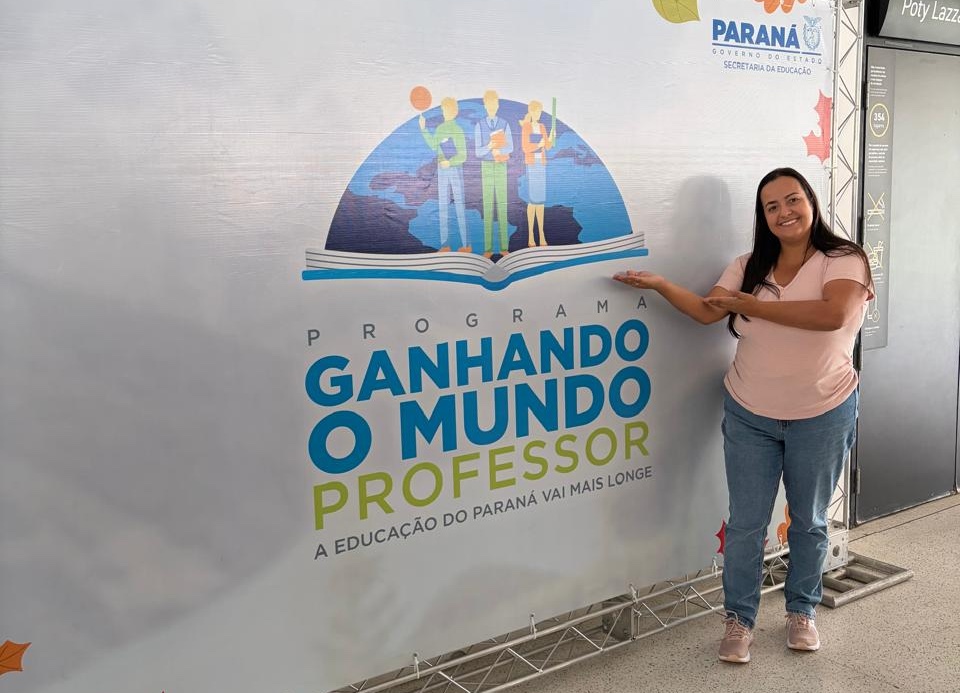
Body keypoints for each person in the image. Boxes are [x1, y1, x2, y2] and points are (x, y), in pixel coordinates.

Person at [613, 167, 873, 664]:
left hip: (823, 411)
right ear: (763, 216)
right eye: (771, 207)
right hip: (751, 411)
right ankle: (739, 619)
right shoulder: (750, 265)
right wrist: (662, 283)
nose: (784, 212)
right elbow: (711, 311)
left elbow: (832, 316)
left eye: (792, 200)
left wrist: (752, 304)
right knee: (747, 525)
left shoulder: (844, 260)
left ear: (811, 202)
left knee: (810, 521)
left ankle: (802, 611)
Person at [419, 97, 469, 252]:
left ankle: (466, 244)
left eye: (449, 109)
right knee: (443, 207)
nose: (446, 112)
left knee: (459, 206)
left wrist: (451, 162)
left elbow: (463, 155)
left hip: (454, 170)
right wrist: (423, 128)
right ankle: (445, 244)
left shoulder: (458, 130)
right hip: (442, 170)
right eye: (444, 110)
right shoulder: (440, 129)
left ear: (455, 111)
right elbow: (434, 145)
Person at [474, 90, 513, 257]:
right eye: (488, 104)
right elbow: (478, 152)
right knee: (488, 206)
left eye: (494, 104)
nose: (491, 107)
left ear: (497, 105)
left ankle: (504, 248)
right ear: (485, 105)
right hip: (487, 167)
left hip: (500, 165)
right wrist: (490, 146)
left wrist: (500, 151)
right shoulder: (479, 125)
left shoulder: (504, 124)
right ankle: (488, 249)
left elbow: (510, 147)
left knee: (503, 206)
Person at [520, 100, 553, 248]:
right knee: (532, 201)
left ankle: (541, 234)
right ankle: (531, 236)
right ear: (531, 112)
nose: (537, 114)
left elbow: (548, 145)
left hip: (541, 165)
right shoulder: (526, 127)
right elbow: (525, 147)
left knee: (540, 202)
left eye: (539, 111)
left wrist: (551, 138)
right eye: (535, 111)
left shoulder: (542, 127)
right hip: (532, 165)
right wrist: (538, 145)